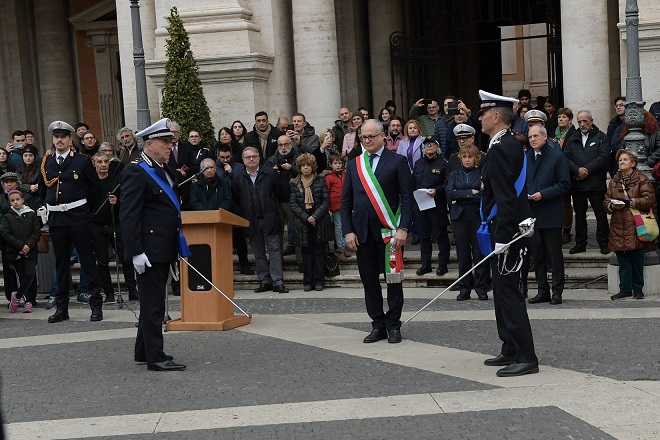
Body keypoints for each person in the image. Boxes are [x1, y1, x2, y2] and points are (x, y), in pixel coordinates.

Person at [477, 90, 538, 377]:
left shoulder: (502, 147)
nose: (479, 118)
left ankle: (526, 355)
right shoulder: (504, 144)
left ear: (497, 116)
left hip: (507, 232)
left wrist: (502, 239)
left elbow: (506, 198)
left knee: (508, 293)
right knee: (501, 293)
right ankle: (510, 347)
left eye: (483, 114)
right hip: (503, 229)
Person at [120, 117, 186, 371]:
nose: (170, 145)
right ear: (150, 143)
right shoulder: (136, 170)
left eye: (170, 140)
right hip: (148, 249)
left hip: (164, 245)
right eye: (164, 141)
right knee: (153, 303)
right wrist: (135, 251)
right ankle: (156, 357)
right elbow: (129, 214)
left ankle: (143, 351)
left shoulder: (164, 168)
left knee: (154, 299)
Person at [341, 119, 413, 344]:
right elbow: (346, 202)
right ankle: (377, 324)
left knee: (393, 281)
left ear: (383, 136)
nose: (368, 140)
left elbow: (408, 199)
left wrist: (403, 228)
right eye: (364, 137)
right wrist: (348, 231)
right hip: (362, 234)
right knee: (369, 281)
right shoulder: (354, 164)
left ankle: (393, 325)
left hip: (389, 234)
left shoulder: (398, 161)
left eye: (372, 136)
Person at [40, 120, 104, 323]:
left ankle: (95, 305)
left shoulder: (82, 161)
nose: (59, 140)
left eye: (63, 137)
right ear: (53, 139)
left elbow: (95, 190)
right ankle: (62, 308)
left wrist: (88, 214)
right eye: (56, 137)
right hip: (57, 218)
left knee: (87, 260)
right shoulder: (47, 162)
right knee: (61, 264)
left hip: (78, 217)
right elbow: (44, 190)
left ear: (69, 139)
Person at [521, 125, 570, 305]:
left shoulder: (557, 156)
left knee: (554, 255)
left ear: (545, 136)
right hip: (532, 214)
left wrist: (543, 194)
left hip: (550, 213)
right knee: (537, 255)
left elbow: (564, 184)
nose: (532, 139)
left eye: (535, 136)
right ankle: (543, 290)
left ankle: (557, 291)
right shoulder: (525, 157)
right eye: (530, 136)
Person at [232, 146, 289, 293]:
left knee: (275, 250)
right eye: (248, 157)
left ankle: (277, 281)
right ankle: (264, 280)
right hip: (251, 220)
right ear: (243, 160)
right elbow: (236, 198)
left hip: (270, 218)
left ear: (259, 158)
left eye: (254, 156)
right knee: (258, 252)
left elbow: (281, 193)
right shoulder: (238, 177)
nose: (251, 159)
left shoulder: (270, 173)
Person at [605, 149, 655, 300]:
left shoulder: (642, 179)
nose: (621, 162)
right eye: (620, 160)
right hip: (618, 226)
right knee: (623, 260)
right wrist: (612, 206)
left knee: (637, 259)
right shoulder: (614, 181)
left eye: (625, 160)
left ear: (633, 163)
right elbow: (606, 201)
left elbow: (649, 199)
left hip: (636, 225)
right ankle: (625, 289)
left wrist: (631, 202)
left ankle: (638, 289)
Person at [89, 152, 138, 304]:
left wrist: (117, 202)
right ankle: (109, 292)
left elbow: (127, 202)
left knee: (126, 257)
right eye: (99, 162)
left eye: (106, 162)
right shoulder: (89, 182)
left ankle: (132, 290)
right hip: (97, 225)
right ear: (94, 164)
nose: (103, 164)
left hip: (115, 223)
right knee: (102, 261)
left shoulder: (117, 180)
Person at [563, 110, 610, 255]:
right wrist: (577, 171)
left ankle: (603, 243)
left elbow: (603, 157)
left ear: (591, 121)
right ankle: (580, 243)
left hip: (596, 185)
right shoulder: (572, 138)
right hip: (577, 185)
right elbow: (565, 157)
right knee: (580, 216)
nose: (582, 124)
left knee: (600, 215)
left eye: (585, 121)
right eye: (580, 122)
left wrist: (585, 170)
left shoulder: (601, 137)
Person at [446, 145, 489, 300]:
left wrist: (461, 195)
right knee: (463, 254)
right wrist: (470, 192)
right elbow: (450, 193)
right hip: (459, 218)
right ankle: (464, 288)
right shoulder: (454, 174)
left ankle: (481, 287)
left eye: (470, 157)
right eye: (464, 157)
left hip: (477, 217)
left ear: (475, 158)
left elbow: (484, 195)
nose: (467, 160)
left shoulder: (481, 174)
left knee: (479, 253)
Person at [290, 153, 333, 291]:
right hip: (303, 223)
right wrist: (306, 217)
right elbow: (293, 204)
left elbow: (326, 201)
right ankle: (308, 281)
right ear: (300, 167)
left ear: (313, 167)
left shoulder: (320, 180)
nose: (306, 168)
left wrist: (315, 217)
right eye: (303, 166)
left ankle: (319, 281)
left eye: (308, 165)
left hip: (319, 222)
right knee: (306, 254)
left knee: (319, 252)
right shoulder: (294, 183)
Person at [412, 137, 449, 276]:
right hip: (421, 205)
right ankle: (425, 264)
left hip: (437, 205)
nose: (429, 146)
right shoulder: (418, 163)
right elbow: (413, 183)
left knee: (440, 235)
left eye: (432, 144)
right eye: (426, 144)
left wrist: (437, 191)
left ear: (437, 147)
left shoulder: (444, 163)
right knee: (424, 236)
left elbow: (448, 184)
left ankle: (442, 265)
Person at [215, 146, 253, 275]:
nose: (225, 160)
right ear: (217, 156)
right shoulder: (214, 168)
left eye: (227, 157)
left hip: (237, 207)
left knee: (240, 239)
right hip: (221, 206)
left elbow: (240, 183)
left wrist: (231, 173)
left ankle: (245, 265)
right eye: (222, 157)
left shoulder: (238, 167)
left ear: (231, 156)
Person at [3, 189, 40, 313]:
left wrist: (28, 245)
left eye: (17, 200)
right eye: (12, 201)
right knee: (21, 276)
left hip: (30, 251)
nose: (15, 202)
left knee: (30, 274)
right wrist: (20, 246)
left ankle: (17, 297)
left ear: (23, 200)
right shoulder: (8, 216)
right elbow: (6, 234)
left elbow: (36, 232)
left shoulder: (31, 214)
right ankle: (27, 301)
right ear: (9, 202)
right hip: (16, 252)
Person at [554, 108, 577, 244]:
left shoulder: (574, 133)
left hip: (570, 172)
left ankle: (567, 230)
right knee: (561, 203)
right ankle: (560, 229)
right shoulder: (555, 133)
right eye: (559, 117)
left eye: (564, 117)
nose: (561, 119)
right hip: (558, 172)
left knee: (567, 204)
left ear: (570, 120)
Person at [325, 154, 350, 262]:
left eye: (339, 163)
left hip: (346, 206)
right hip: (335, 206)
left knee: (345, 226)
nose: (338, 165)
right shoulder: (329, 178)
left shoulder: (346, 174)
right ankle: (340, 248)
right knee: (338, 227)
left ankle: (344, 246)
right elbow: (327, 193)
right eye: (335, 163)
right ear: (330, 165)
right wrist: (329, 208)